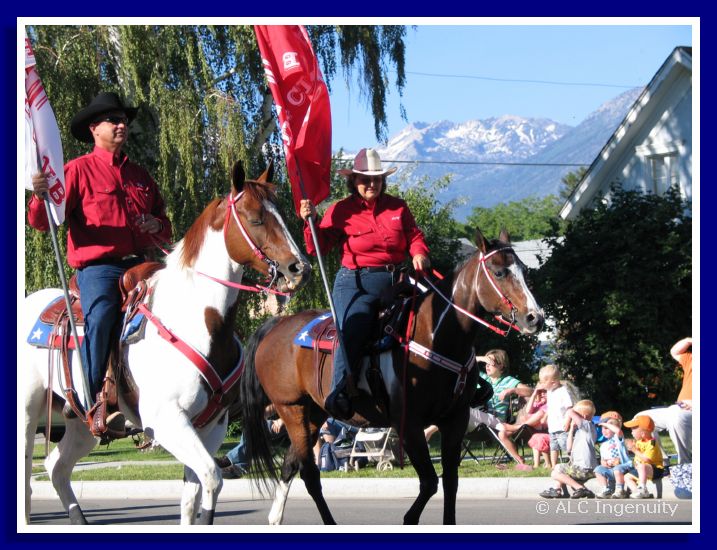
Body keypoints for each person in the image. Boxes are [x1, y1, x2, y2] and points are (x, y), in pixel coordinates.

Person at [27, 92, 172, 437]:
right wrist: (39, 195)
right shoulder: (76, 171)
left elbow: (164, 224)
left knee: (178, 303)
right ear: (94, 128)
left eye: (124, 120)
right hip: (99, 269)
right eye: (114, 120)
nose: (122, 125)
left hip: (142, 264)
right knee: (103, 314)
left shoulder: (139, 176)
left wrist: (156, 225)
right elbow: (42, 221)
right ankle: (94, 401)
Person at [299, 148, 431, 420]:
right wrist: (309, 222)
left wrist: (419, 252)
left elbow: (414, 235)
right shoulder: (340, 210)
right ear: (353, 181)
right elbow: (317, 248)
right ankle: (339, 391)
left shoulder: (398, 207)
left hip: (398, 280)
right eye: (365, 179)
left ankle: (459, 379)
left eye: (377, 179)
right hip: (356, 282)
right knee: (355, 325)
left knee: (439, 310)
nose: (372, 184)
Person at [424, 349, 532, 441]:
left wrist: (512, 390)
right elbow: (462, 364)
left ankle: (428, 432)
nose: (487, 365)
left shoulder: (509, 381)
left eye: (491, 362)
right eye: (486, 362)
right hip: (476, 422)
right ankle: (429, 434)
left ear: (501, 366)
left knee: (460, 410)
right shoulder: (482, 378)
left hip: (497, 424)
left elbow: (531, 391)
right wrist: (481, 358)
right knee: (455, 409)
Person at [638, 337, 692, 464]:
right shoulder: (692, 359)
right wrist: (690, 340)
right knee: (641, 419)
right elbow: (675, 352)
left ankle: (686, 463)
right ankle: (661, 461)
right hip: (678, 408)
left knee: (676, 415)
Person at [539, 400, 597, 499]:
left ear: (583, 416)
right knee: (560, 470)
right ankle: (559, 490)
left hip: (585, 468)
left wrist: (568, 417)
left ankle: (579, 488)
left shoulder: (587, 425)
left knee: (555, 473)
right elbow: (569, 448)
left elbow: (570, 411)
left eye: (576, 415)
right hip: (580, 467)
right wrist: (571, 430)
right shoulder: (580, 432)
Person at [496, 387, 548, 471]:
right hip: (527, 429)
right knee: (502, 434)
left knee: (540, 413)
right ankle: (519, 459)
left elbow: (542, 420)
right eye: (540, 392)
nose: (542, 394)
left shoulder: (551, 404)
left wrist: (525, 421)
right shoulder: (537, 403)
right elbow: (528, 411)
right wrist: (534, 394)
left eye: (545, 392)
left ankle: (516, 427)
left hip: (540, 430)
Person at [217, 415, 286, 478]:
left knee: (257, 427)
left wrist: (282, 420)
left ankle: (236, 464)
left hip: (289, 421)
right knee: (250, 423)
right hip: (284, 418)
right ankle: (240, 465)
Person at [539, 364, 578, 470]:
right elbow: (550, 407)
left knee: (566, 446)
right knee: (553, 447)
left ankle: (574, 462)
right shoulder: (549, 392)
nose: (541, 384)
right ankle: (554, 465)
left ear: (553, 382)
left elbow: (569, 408)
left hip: (562, 426)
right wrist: (545, 416)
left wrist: (568, 421)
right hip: (553, 426)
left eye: (543, 382)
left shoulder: (563, 391)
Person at [622, 414, 666, 499]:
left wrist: (634, 450)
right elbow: (633, 449)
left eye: (633, 429)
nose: (631, 432)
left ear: (642, 433)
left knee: (642, 466)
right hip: (642, 469)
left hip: (655, 469)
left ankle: (642, 489)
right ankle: (637, 492)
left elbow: (647, 459)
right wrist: (629, 445)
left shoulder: (652, 443)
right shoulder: (639, 441)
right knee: (627, 477)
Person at [592, 411, 633, 499]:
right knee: (597, 470)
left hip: (624, 467)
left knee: (617, 469)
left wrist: (605, 424)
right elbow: (602, 460)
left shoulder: (617, 438)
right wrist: (604, 463)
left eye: (607, 428)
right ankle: (606, 489)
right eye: (602, 428)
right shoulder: (603, 445)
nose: (604, 430)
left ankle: (620, 490)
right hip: (611, 469)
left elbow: (618, 431)